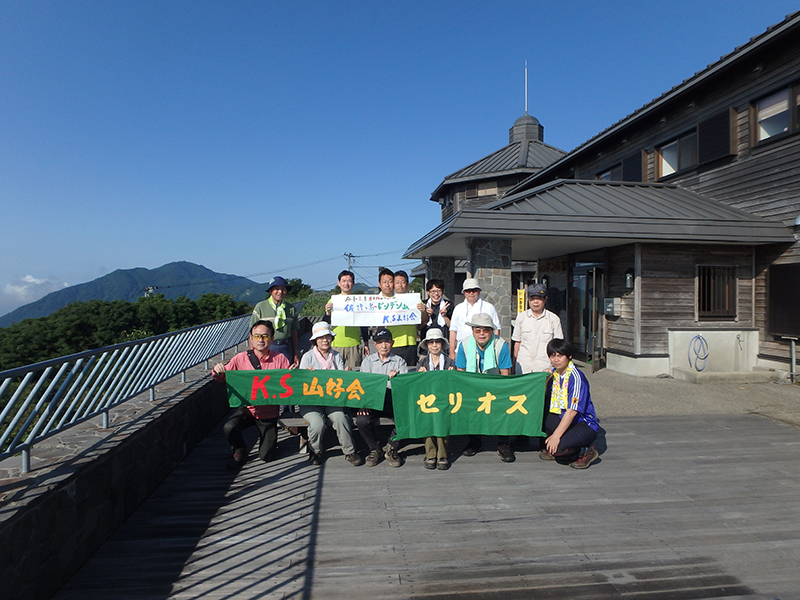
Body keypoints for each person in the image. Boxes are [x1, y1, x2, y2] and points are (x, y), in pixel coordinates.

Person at [213, 320, 291, 469]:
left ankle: (269, 445)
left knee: (267, 456)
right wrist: (217, 370)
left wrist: (295, 373)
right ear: (251, 338)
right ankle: (239, 450)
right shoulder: (240, 358)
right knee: (229, 427)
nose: (260, 340)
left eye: (265, 336)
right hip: (248, 408)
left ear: (272, 338)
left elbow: (290, 382)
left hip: (268, 411)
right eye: (257, 336)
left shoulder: (280, 359)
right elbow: (222, 376)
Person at [298, 322, 364, 467]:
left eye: (328, 337)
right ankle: (315, 450)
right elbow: (301, 382)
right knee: (317, 424)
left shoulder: (337, 356)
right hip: (312, 401)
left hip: (333, 400)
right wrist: (306, 374)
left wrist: (346, 375)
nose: (325, 340)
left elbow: (340, 377)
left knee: (341, 419)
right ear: (315, 340)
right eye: (321, 338)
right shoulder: (307, 357)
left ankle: (349, 451)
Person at [455, 313, 516, 463]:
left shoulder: (501, 344)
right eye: (478, 330)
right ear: (473, 331)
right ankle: (475, 441)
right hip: (472, 386)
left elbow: (505, 373)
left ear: (491, 331)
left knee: (504, 406)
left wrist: (503, 392)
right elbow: (460, 372)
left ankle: (503, 443)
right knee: (468, 404)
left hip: (495, 386)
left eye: (486, 330)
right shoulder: (463, 344)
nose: (482, 334)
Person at [542, 338, 600, 469]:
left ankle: (585, 451)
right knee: (539, 418)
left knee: (559, 450)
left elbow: (572, 411)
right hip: (563, 417)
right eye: (552, 356)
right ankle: (557, 443)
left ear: (569, 356)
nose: (556, 360)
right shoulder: (555, 375)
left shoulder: (576, 377)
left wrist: (556, 436)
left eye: (560, 356)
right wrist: (545, 379)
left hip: (584, 423)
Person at [356, 328, 408, 467]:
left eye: (387, 342)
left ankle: (392, 447)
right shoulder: (368, 362)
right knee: (361, 420)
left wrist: (396, 379)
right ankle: (375, 449)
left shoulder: (399, 361)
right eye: (380, 342)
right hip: (373, 399)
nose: (384, 345)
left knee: (406, 418)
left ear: (392, 343)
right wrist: (364, 405)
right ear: (375, 345)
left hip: (393, 399)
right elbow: (364, 386)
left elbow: (404, 387)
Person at [416, 328, 456, 470]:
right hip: (427, 401)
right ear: (427, 345)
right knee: (427, 425)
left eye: (437, 342)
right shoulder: (422, 363)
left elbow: (455, 385)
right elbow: (417, 386)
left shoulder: (450, 363)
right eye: (431, 342)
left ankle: (442, 455)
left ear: (442, 344)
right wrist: (420, 377)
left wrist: (452, 376)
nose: (434, 345)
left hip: (444, 401)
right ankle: (430, 454)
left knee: (442, 425)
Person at [512, 283, 563, 374]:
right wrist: (514, 365)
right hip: (523, 367)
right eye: (532, 299)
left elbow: (557, 346)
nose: (535, 302)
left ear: (545, 299)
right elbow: (517, 343)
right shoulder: (521, 318)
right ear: (528, 300)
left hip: (544, 367)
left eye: (539, 299)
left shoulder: (553, 319)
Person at [250, 276, 300, 367]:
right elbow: (252, 332)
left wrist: (295, 353)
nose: (280, 292)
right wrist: (250, 354)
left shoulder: (291, 309)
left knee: (286, 374)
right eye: (276, 289)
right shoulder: (260, 307)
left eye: (283, 289)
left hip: (286, 347)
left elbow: (294, 331)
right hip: (266, 346)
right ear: (270, 291)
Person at [323, 270, 369, 368]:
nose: (346, 284)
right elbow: (325, 323)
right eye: (344, 281)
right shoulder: (333, 300)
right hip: (336, 344)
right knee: (336, 374)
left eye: (349, 281)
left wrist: (366, 343)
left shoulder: (358, 301)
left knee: (355, 374)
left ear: (353, 283)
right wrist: (327, 312)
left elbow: (364, 324)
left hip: (354, 343)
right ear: (338, 283)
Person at [449, 278, 501, 360]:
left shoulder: (489, 307)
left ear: (479, 291)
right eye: (468, 291)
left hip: (485, 350)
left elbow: (496, 329)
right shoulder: (458, 308)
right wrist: (452, 352)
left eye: (474, 290)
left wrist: (494, 348)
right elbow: (453, 331)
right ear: (464, 292)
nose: (471, 293)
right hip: (461, 349)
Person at [387, 269, 423, 367]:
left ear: (407, 284)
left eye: (403, 282)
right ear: (393, 284)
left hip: (410, 341)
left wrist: (423, 311)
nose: (400, 285)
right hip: (393, 342)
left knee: (410, 370)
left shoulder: (414, 299)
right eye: (397, 282)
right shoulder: (387, 300)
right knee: (393, 371)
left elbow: (424, 320)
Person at [419, 278, 453, 343]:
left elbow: (453, 326)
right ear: (428, 292)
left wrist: (444, 316)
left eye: (439, 290)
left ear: (442, 291)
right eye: (433, 291)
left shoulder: (448, 305)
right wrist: (426, 315)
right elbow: (419, 328)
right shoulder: (423, 305)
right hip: (426, 344)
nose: (436, 294)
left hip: (444, 343)